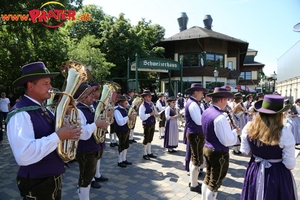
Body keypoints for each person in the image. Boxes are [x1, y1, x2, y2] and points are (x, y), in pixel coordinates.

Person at [7, 61, 82, 200]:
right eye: (46, 83)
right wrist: (59, 136)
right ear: (30, 85)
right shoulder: (20, 114)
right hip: (37, 181)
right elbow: (23, 155)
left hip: (49, 177)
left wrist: (68, 128)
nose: (51, 87)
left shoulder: (43, 109)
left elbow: (53, 133)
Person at [240, 94, 297, 200]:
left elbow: (245, 152)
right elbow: (290, 165)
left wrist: (259, 151)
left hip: (255, 170)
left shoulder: (248, 127)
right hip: (276, 175)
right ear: (279, 114)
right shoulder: (284, 133)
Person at [201, 87, 240, 200]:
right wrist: (235, 132)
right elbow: (226, 141)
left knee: (208, 178)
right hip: (218, 152)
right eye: (227, 100)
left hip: (207, 147)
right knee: (214, 183)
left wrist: (226, 127)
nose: (227, 102)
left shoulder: (207, 111)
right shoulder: (220, 117)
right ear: (222, 99)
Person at [75, 83, 110, 199]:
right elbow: (82, 133)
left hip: (93, 147)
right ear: (83, 96)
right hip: (85, 149)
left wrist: (102, 126)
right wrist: (96, 124)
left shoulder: (90, 108)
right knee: (85, 178)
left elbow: (94, 125)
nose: (93, 96)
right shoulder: (78, 111)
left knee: (89, 177)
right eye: (90, 95)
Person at [184, 83, 207, 193]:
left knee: (194, 158)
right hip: (196, 134)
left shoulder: (193, 102)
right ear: (196, 92)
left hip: (195, 133)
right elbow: (199, 121)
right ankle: (194, 184)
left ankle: (192, 181)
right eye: (201, 92)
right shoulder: (193, 104)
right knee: (197, 160)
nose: (203, 94)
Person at [89, 82, 110, 185]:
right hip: (91, 135)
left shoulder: (98, 103)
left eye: (98, 90)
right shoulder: (90, 104)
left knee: (99, 155)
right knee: (92, 157)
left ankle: (97, 174)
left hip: (98, 133)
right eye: (96, 90)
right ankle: (91, 178)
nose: (98, 92)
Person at [114, 95, 135, 167]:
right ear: (120, 103)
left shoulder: (124, 109)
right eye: (125, 102)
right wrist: (128, 117)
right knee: (121, 145)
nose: (127, 104)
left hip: (126, 129)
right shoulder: (117, 110)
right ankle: (119, 161)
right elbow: (120, 122)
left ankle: (124, 159)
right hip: (120, 130)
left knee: (126, 145)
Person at [139, 90, 159, 160]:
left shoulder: (151, 104)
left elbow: (155, 111)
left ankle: (149, 152)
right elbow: (142, 117)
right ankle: (145, 153)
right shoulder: (142, 106)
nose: (150, 97)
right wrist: (150, 114)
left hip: (152, 123)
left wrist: (157, 114)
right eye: (149, 96)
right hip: (146, 124)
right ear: (145, 97)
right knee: (146, 138)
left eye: (151, 96)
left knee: (150, 138)